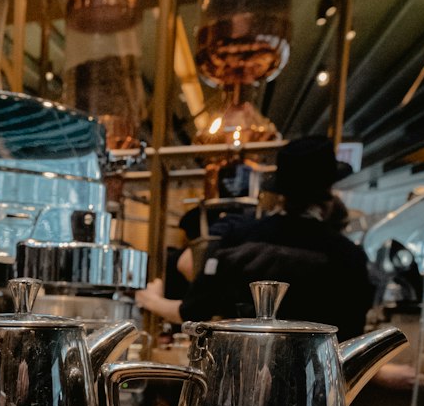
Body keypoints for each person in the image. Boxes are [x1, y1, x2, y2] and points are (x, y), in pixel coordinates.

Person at [137, 137, 373, 340]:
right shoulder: (347, 256)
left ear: (280, 193)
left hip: (238, 375)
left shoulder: (238, 236)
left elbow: (194, 312)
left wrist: (150, 300)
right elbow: (352, 337)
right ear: (329, 194)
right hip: (316, 385)